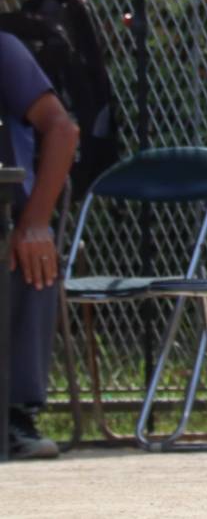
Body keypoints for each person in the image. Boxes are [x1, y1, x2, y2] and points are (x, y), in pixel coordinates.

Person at [1, 28, 79, 460]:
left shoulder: (3, 50)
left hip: (6, 214)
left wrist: (34, 223)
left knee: (30, 253)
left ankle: (13, 415)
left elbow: (62, 130)